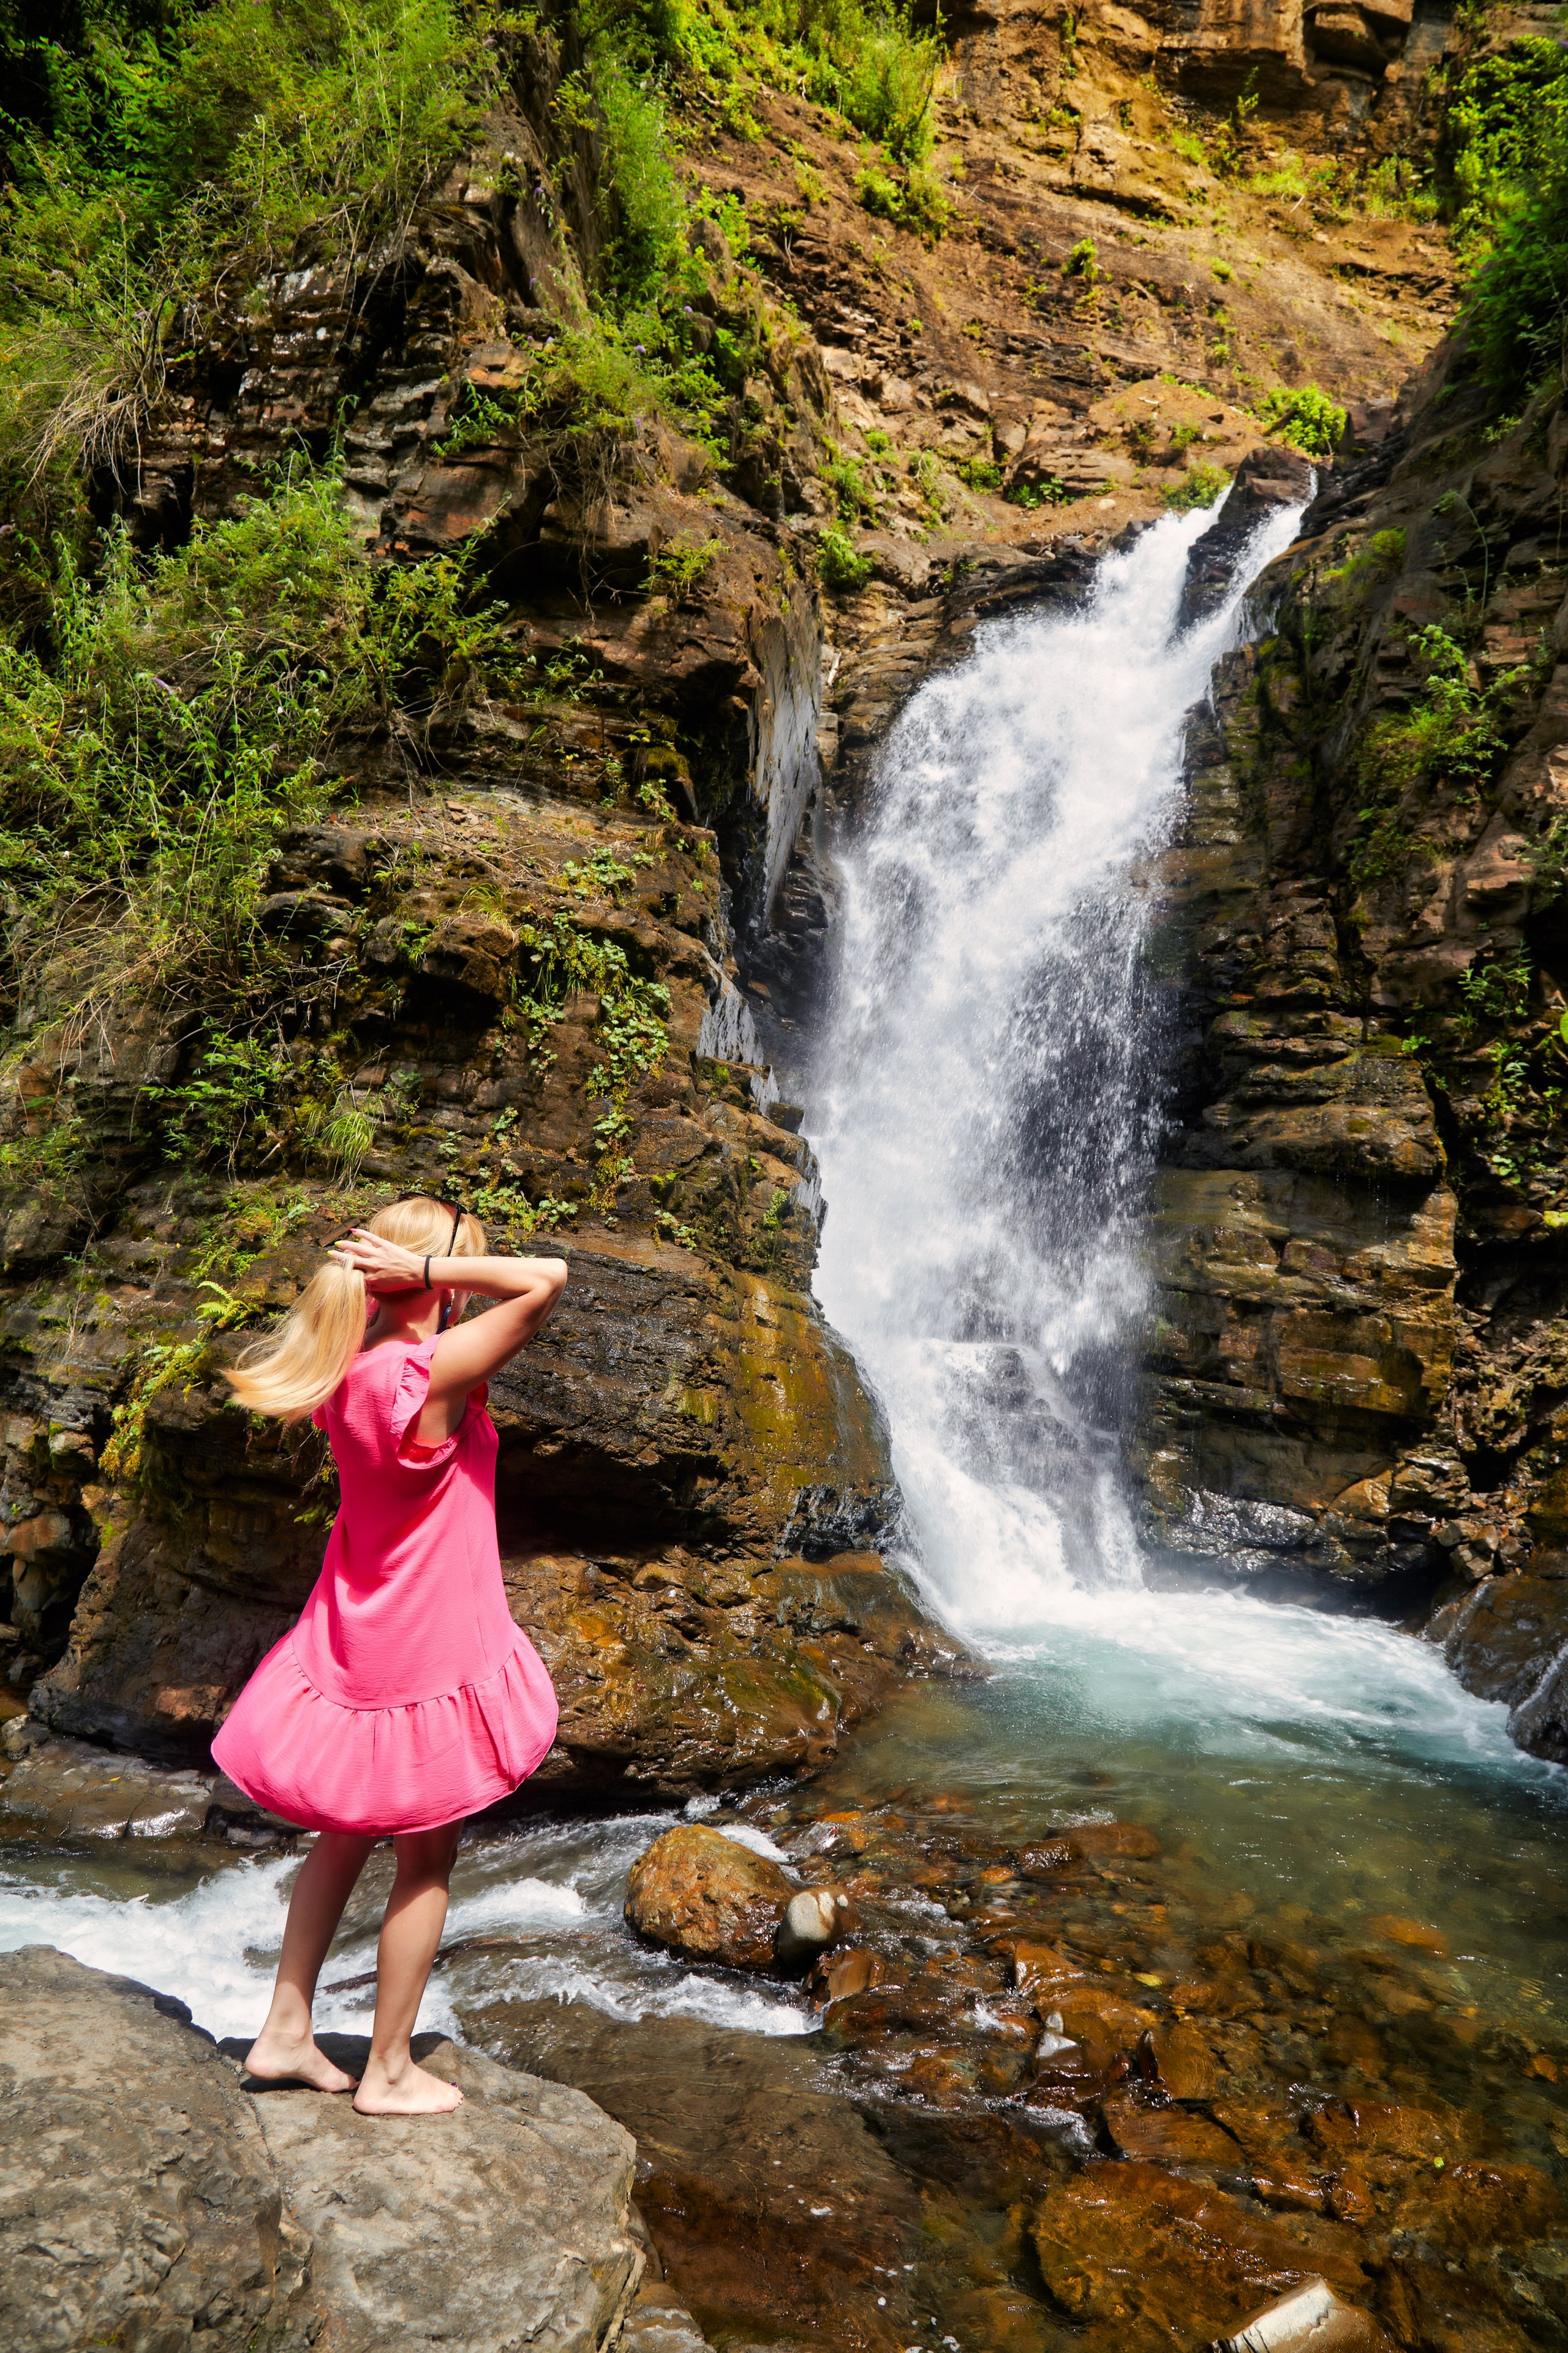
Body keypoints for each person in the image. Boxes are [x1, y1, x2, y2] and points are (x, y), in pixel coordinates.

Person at [211, 1196, 567, 2116]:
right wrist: (437, 1276)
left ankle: (286, 2032)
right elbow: (547, 1282)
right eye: (455, 1269)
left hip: (358, 1632)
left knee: (344, 1834)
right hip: (428, 1651)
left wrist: (418, 1275)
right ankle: (389, 2068)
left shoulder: (353, 1370)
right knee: (426, 1861)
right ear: (427, 1278)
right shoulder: (430, 1372)